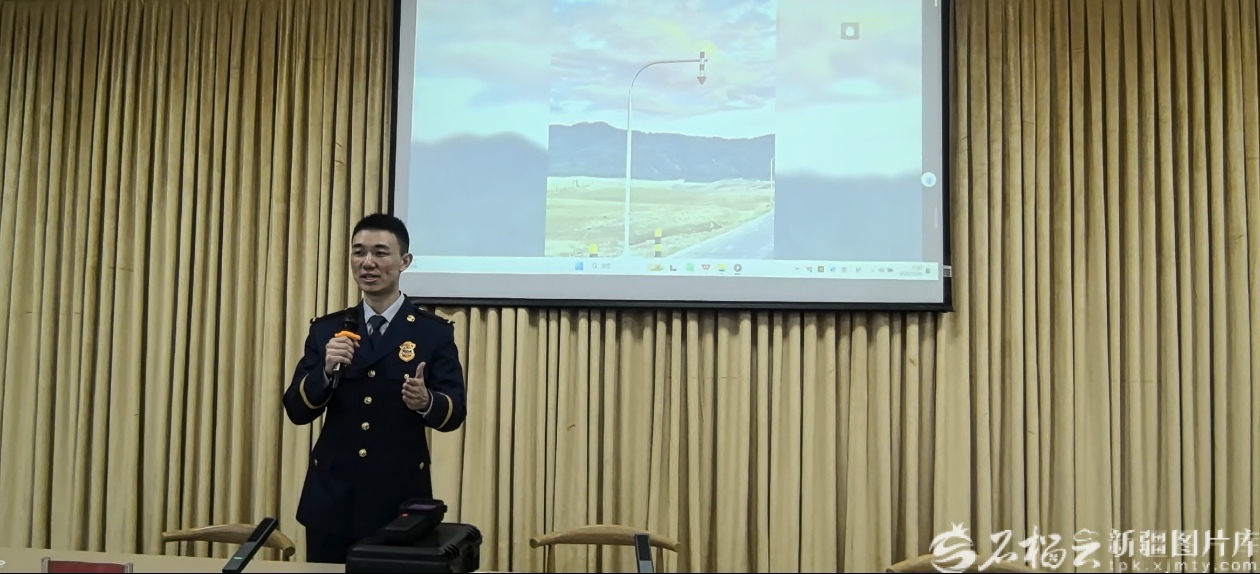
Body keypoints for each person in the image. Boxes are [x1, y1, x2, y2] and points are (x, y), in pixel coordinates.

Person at [283, 213, 467, 564]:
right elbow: (296, 409)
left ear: (404, 261)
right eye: (359, 252)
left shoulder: (432, 333)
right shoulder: (327, 330)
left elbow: (455, 412)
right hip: (332, 500)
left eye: (380, 252)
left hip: (398, 500)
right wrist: (325, 371)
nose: (368, 262)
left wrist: (426, 401)